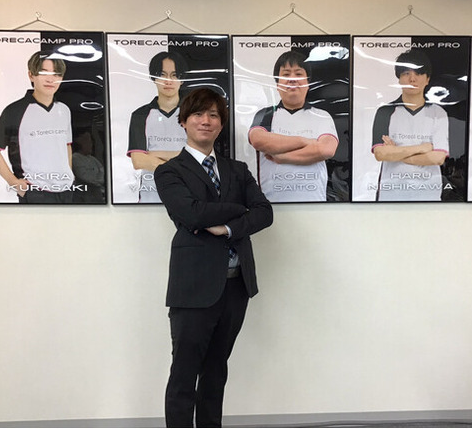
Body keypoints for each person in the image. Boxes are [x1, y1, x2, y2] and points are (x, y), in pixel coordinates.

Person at [154, 88, 273, 427]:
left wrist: (228, 228)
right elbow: (190, 214)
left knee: (216, 371)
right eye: (198, 114)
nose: (205, 121)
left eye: (213, 115)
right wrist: (239, 210)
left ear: (221, 124)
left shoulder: (237, 170)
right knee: (184, 374)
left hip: (235, 287)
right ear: (183, 121)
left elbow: (264, 213)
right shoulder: (170, 171)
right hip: (193, 288)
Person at [248, 50, 339, 202]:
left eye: (298, 74)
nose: (292, 79)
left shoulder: (321, 116)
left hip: (315, 205)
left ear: (308, 83)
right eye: (286, 74)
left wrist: (283, 158)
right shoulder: (265, 114)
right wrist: (306, 142)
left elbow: (326, 149)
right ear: (277, 83)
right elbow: (258, 140)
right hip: (271, 205)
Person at [0, 50, 74, 203]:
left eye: (56, 74)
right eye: (43, 72)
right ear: (31, 75)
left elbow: (66, 145)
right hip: (35, 191)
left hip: (66, 190)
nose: (50, 79)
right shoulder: (14, 111)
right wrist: (14, 182)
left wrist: (69, 174)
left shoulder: (64, 110)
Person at [371, 49, 449, 201]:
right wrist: (423, 148)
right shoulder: (385, 112)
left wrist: (395, 152)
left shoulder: (438, 113)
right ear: (399, 79)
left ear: (427, 79)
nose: (412, 79)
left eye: (418, 73)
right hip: (391, 195)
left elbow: (438, 158)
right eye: (406, 73)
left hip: (429, 195)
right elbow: (380, 154)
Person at [127, 51, 188, 203]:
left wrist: (152, 154)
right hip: (150, 197)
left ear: (182, 79)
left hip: (188, 196)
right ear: (154, 77)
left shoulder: (194, 114)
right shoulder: (140, 115)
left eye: (174, 75)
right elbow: (138, 160)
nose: (168, 81)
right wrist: (181, 163)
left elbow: (199, 157)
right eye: (162, 75)